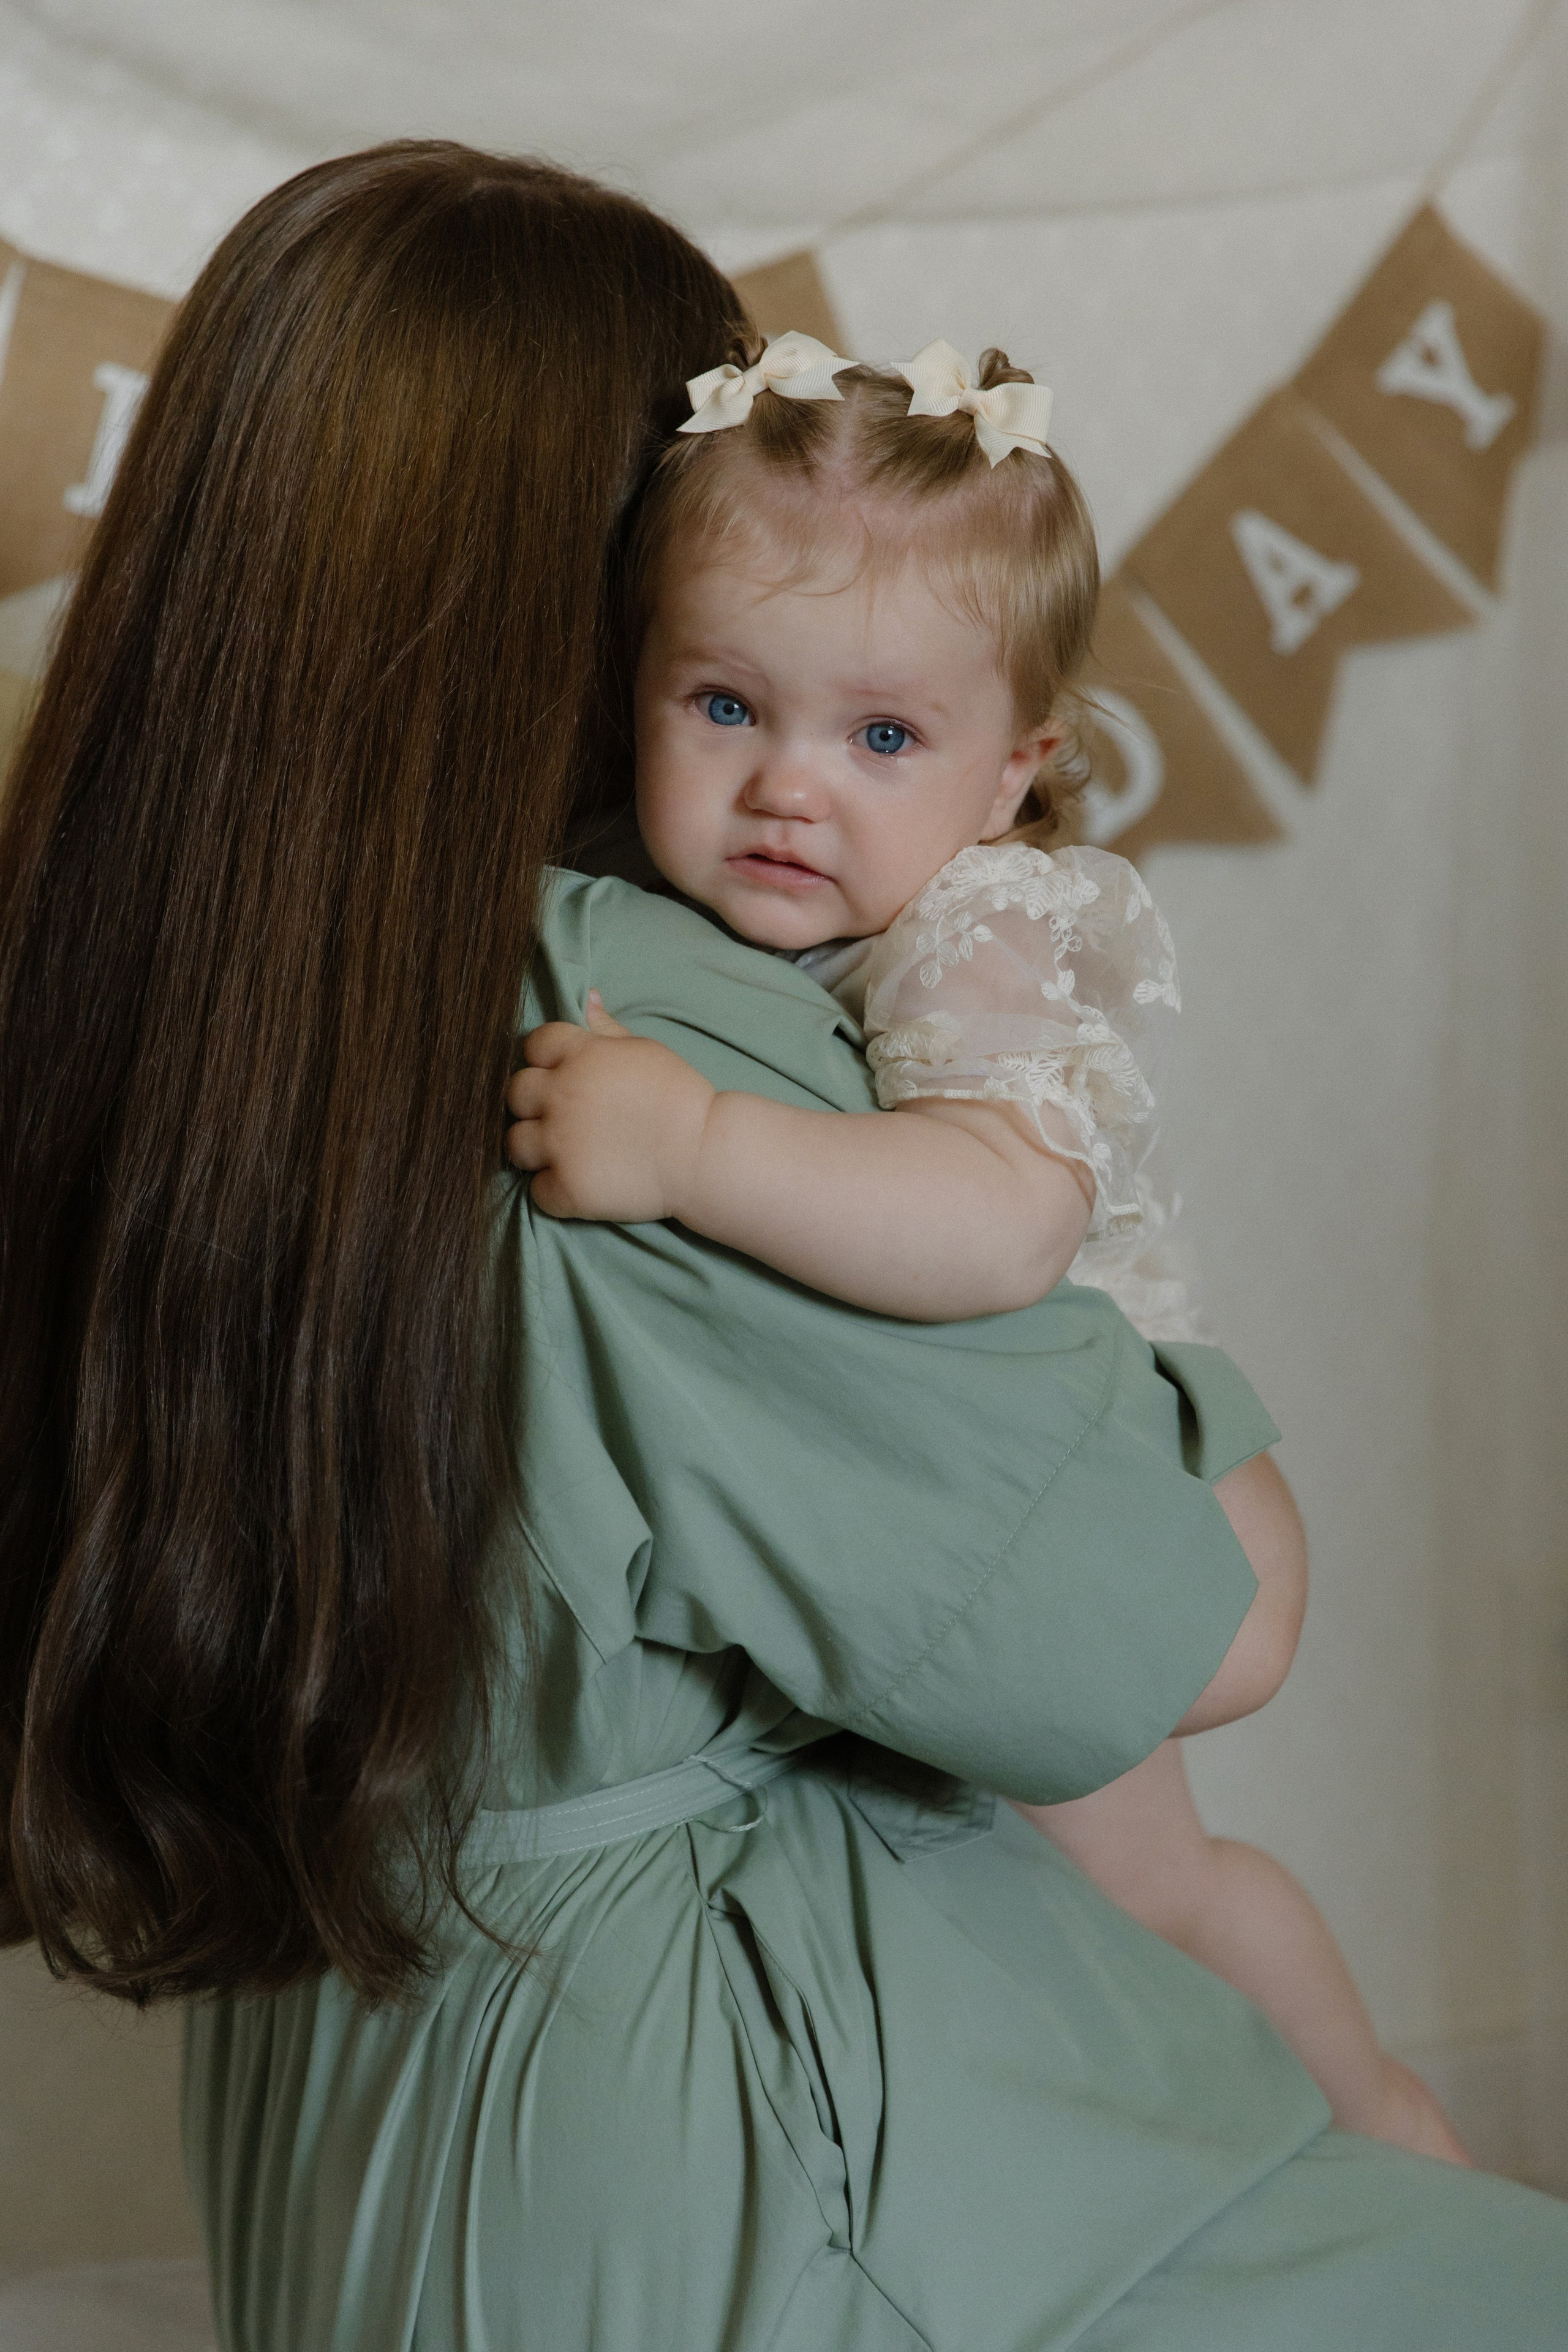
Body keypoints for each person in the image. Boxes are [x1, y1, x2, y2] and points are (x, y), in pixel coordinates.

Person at [1, 141, 1564, 2352]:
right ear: (605, 596)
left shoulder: (139, 979)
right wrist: (1154, 1381)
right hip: (681, 2170)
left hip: (337, 2143)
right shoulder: (635, 1043)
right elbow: (1189, 1622)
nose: (787, 783)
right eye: (726, 682)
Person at [505, 333, 1466, 2163]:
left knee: (1150, 1883)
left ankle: (1391, 2131)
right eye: (725, 705)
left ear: (1015, 770)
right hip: (912, 1491)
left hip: (1063, 1468)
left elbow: (1001, 1219)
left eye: (881, 736)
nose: (793, 785)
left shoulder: (975, 929)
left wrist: (694, 1144)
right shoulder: (653, 885)